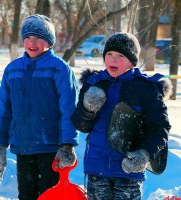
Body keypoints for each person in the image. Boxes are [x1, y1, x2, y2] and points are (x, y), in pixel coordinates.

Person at [71, 32, 172, 200]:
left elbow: (160, 128)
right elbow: (82, 125)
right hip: (97, 168)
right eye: (109, 54)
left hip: (129, 171)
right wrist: (88, 109)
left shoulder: (146, 88)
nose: (113, 60)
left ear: (132, 61)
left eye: (120, 56)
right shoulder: (94, 83)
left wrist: (144, 154)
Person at [0, 14, 79, 200]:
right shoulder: (12, 70)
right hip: (23, 146)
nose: (33, 42)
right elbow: (3, 111)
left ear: (49, 42)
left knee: (49, 195)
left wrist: (67, 144)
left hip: (51, 148)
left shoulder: (59, 69)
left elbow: (69, 109)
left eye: (39, 37)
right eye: (28, 37)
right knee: (26, 195)